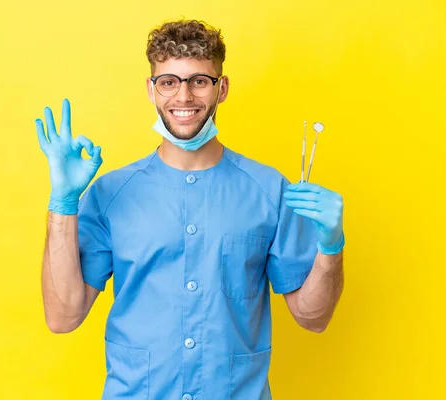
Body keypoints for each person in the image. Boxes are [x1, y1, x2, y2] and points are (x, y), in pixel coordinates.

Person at [36, 19, 345, 400]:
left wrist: (330, 248)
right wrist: (63, 204)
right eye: (168, 81)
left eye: (199, 80)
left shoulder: (269, 190)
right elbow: (63, 317)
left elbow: (312, 318)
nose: (183, 96)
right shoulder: (111, 193)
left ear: (222, 88)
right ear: (151, 90)